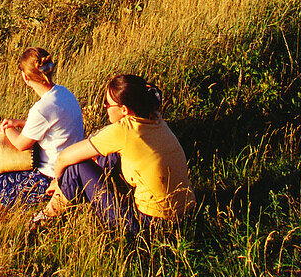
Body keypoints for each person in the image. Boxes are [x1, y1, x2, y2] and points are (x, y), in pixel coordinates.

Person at [36, 73, 195, 235]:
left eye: (107, 104)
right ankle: (69, 200)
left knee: (75, 168)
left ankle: (42, 219)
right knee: (108, 155)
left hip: (147, 227)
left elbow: (64, 157)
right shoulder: (154, 118)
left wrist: (57, 181)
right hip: (185, 217)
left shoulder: (123, 132)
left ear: (124, 110)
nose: (104, 107)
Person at [0, 47, 84, 237]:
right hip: (70, 168)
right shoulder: (63, 93)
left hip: (49, 177)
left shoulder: (42, 108)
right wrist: (19, 122)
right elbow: (49, 124)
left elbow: (22, 144)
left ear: (25, 77)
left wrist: (8, 128)